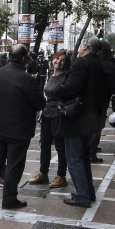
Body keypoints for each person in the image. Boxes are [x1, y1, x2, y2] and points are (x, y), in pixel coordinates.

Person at [0, 45, 46, 209]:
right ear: (23, 58)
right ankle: (9, 199)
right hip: (19, 129)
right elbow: (40, 103)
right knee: (14, 165)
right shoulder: (27, 79)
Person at [51, 39, 110, 208]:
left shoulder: (82, 62)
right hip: (91, 117)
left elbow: (71, 88)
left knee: (74, 159)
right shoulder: (99, 64)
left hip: (77, 119)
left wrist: (57, 90)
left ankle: (82, 196)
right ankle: (87, 191)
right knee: (83, 157)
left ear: (85, 47)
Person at [28, 50, 70, 189]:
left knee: (60, 147)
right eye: (57, 58)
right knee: (44, 145)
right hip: (46, 114)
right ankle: (43, 173)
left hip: (58, 115)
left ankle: (61, 176)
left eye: (62, 60)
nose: (58, 62)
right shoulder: (50, 75)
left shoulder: (66, 77)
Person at [90, 41, 115, 162]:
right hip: (102, 101)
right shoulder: (110, 66)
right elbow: (114, 85)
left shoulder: (90, 63)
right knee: (98, 125)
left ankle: (91, 148)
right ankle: (91, 151)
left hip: (90, 99)